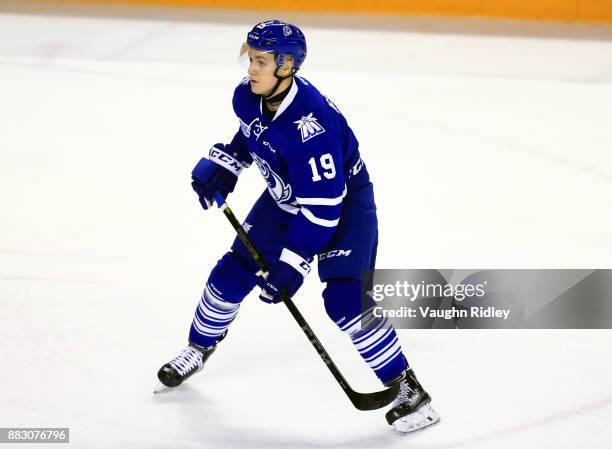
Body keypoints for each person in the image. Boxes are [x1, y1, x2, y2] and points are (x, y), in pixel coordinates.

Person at [156, 20, 440, 434]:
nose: (251, 69)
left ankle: (408, 388)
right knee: (230, 276)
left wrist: (292, 264)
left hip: (342, 207)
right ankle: (197, 349)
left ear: (286, 65)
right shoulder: (249, 95)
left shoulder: (314, 127)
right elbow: (254, 133)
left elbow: (324, 210)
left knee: (344, 301)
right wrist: (226, 163)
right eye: (250, 59)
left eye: (261, 61)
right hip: (287, 200)